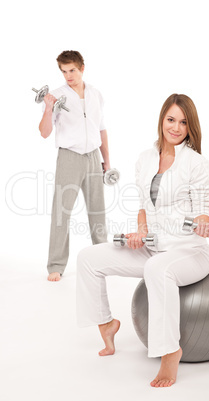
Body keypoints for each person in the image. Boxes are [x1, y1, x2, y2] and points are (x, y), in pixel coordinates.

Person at [76, 94, 209, 387]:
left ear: (191, 127)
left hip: (189, 252)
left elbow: (203, 212)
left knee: (158, 269)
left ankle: (169, 352)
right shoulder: (145, 158)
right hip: (153, 249)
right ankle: (106, 324)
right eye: (171, 119)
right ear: (162, 118)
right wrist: (140, 233)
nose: (176, 127)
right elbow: (143, 206)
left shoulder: (197, 164)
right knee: (88, 258)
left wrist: (203, 223)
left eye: (183, 122)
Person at [39, 50, 110, 282]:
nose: (68, 76)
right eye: (64, 71)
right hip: (69, 157)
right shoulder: (57, 96)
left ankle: (103, 260)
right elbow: (44, 133)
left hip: (92, 157)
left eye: (72, 70)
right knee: (62, 212)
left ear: (82, 68)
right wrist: (49, 108)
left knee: (97, 211)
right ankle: (56, 265)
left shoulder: (96, 94)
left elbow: (101, 129)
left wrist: (106, 161)